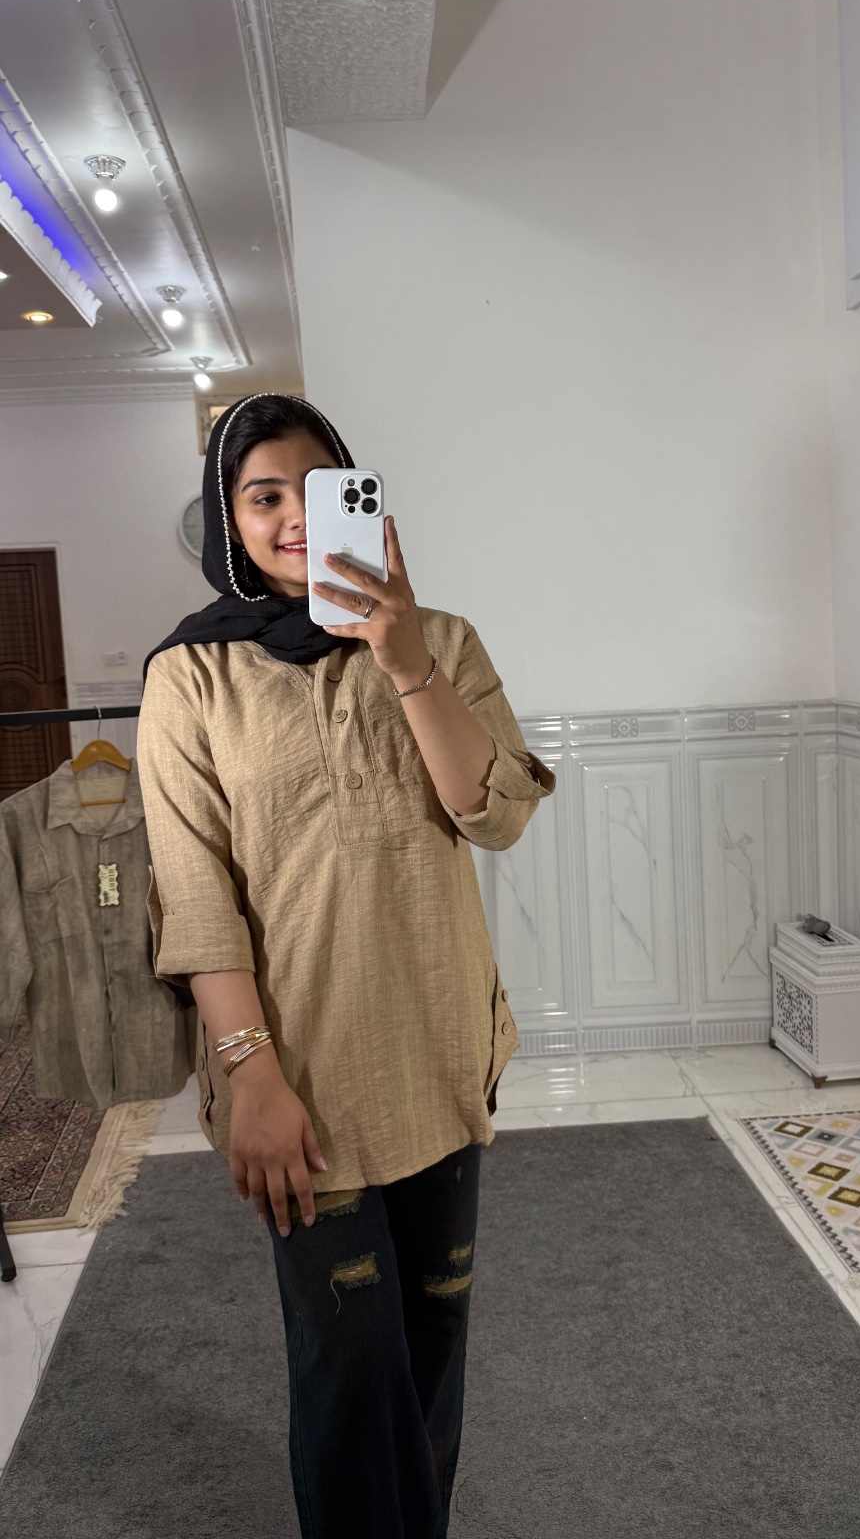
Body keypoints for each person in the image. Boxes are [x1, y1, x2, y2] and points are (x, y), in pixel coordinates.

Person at [137, 393, 556, 1538]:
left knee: (432, 1344)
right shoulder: (192, 676)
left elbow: (495, 815)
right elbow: (196, 896)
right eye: (261, 495)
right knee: (349, 1365)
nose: (291, 517)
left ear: (355, 498)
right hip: (301, 1083)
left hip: (437, 1052)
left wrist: (404, 657)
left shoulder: (442, 641)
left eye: (316, 490)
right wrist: (250, 1072)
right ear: (227, 519)